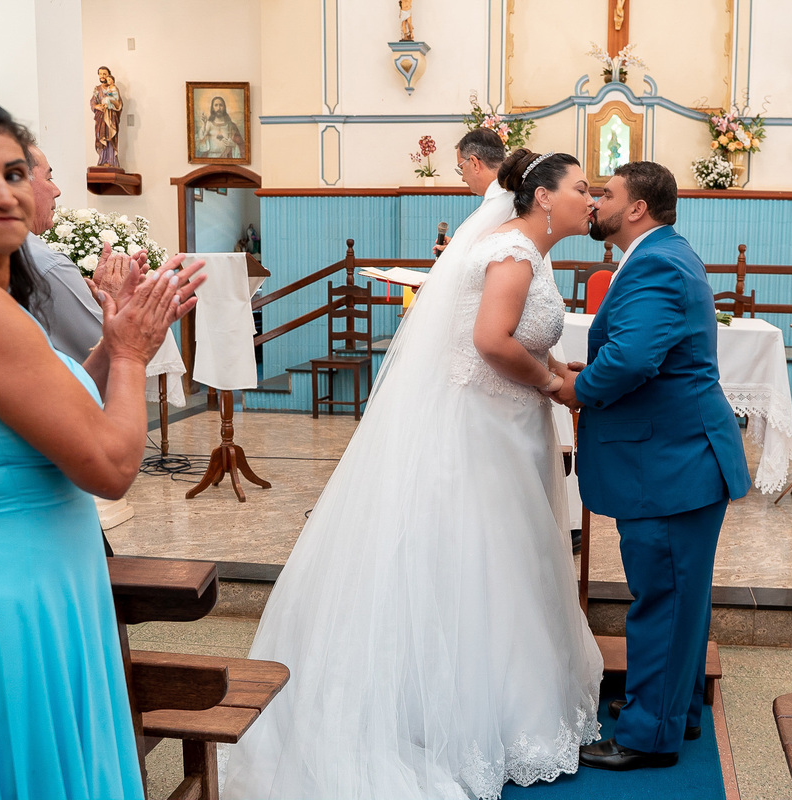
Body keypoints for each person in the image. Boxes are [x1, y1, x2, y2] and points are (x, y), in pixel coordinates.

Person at [222, 148, 602, 799]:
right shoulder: (511, 251)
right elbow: (490, 340)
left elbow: (519, 337)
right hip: (482, 429)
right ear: (543, 197)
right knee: (488, 560)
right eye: (581, 188)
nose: (590, 199)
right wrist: (550, 384)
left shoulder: (527, 251)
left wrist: (559, 375)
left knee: (504, 562)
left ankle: (492, 704)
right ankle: (461, 717)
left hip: (507, 423)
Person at [0, 91, 203, 798]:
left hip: (20, 580)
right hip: (6, 599)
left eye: (11, 171)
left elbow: (48, 409)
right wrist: (128, 356)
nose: (0, 190)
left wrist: (108, 347)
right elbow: (111, 465)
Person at [551, 162, 750, 770]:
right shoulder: (661, 254)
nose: (595, 203)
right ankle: (675, 710)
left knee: (661, 596)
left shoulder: (657, 261)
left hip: (671, 462)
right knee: (681, 595)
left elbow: (634, 357)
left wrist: (578, 389)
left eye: (605, 195)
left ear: (636, 208)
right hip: (680, 457)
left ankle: (645, 736)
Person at [26, 143, 140, 362]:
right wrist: (114, 303)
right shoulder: (48, 266)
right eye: (49, 178)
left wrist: (97, 299)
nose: (57, 190)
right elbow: (106, 354)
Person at [433, 126, 507, 257]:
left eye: (461, 167)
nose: (462, 178)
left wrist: (456, 254)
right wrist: (457, 248)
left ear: (474, 163)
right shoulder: (506, 197)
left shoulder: (499, 206)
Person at [90, 66, 123, 168]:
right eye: (100, 74)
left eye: (105, 74)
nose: (103, 76)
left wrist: (111, 102)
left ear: (109, 75)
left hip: (111, 117)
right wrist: (97, 106)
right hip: (101, 118)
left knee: (111, 137)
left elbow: (119, 103)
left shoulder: (113, 88)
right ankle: (102, 160)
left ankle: (112, 161)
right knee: (102, 137)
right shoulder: (97, 89)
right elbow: (93, 102)